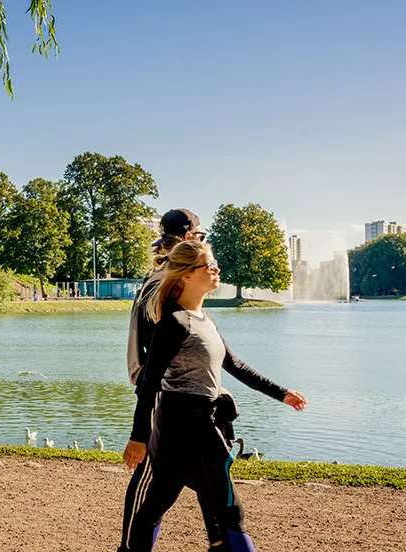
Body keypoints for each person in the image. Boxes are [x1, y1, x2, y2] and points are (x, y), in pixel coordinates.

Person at [122, 240, 307, 552]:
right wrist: (139, 437)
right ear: (186, 276)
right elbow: (150, 383)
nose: (216, 269)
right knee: (229, 512)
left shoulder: (204, 320)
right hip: (190, 427)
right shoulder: (174, 323)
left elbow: (234, 364)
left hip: (182, 427)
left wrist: (282, 394)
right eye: (208, 265)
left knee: (157, 508)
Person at [119, 208, 207, 549]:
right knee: (152, 480)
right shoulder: (165, 283)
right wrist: (140, 433)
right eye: (198, 237)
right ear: (187, 238)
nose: (201, 243)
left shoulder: (165, 277)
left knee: (212, 484)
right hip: (165, 392)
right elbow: (158, 356)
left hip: (181, 392)